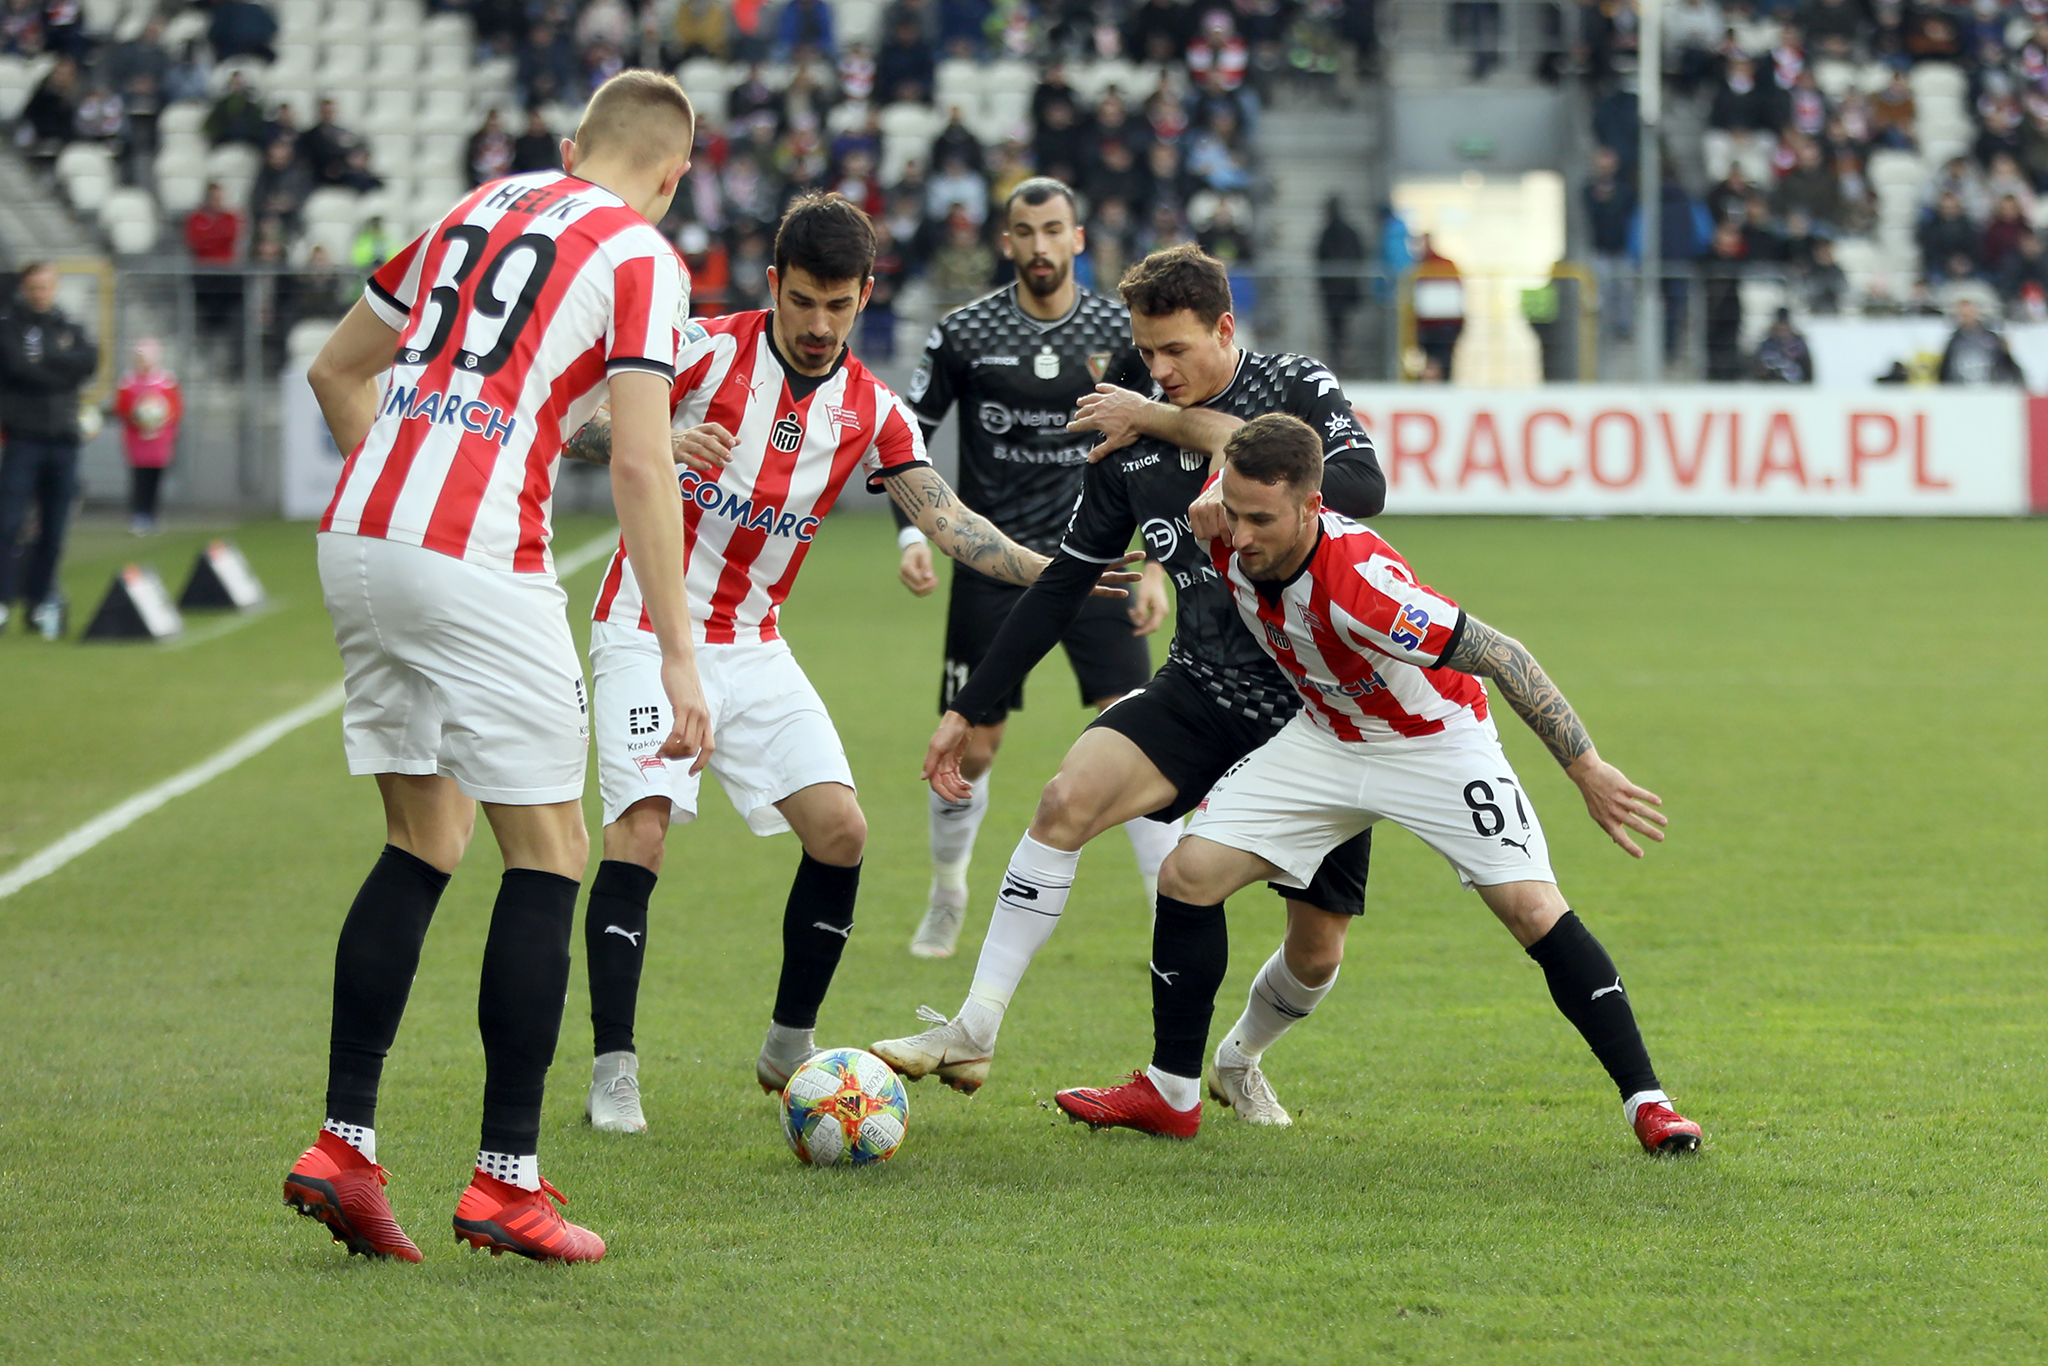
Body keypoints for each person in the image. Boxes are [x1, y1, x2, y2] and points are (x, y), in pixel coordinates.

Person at [556, 192, 1134, 1134]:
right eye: (802, 302)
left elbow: (949, 520)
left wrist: (1055, 571)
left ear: (865, 295)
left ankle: (790, 1044)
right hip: (644, 629)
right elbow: (572, 421)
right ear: (773, 285)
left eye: (839, 305)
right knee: (643, 832)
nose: (820, 325)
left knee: (842, 832)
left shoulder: (871, 409)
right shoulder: (701, 351)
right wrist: (650, 435)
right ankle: (614, 1072)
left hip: (755, 641)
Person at [283, 70, 708, 1267]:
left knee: (423, 837)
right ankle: (506, 1182)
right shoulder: (640, 253)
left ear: (571, 147)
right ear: (672, 174)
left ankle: (344, 1147)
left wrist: (400, 517)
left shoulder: (475, 205)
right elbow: (642, 463)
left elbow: (335, 370)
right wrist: (679, 655)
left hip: (358, 532)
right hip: (474, 555)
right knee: (552, 851)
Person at [1050, 414, 1703, 1155]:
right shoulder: (1221, 517)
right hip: (1327, 736)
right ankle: (1173, 1094)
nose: (1242, 534)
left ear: (1312, 506)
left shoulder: (1366, 589)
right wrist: (1193, 475)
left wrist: (1587, 768)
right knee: (1188, 875)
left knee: (1531, 908)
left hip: (1435, 743)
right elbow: (1214, 441)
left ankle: (1650, 1105)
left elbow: (1505, 656)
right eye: (1234, 511)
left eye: (1262, 519)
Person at [873, 246, 1387, 1107]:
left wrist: (1171, 420)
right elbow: (1063, 586)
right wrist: (968, 706)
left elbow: (1363, 488)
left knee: (1316, 949)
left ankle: (1239, 1059)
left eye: (1176, 350)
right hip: (1200, 687)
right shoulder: (1130, 443)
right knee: (1063, 801)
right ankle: (975, 1027)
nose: (1158, 371)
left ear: (1225, 328)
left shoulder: (1294, 384)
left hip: (1313, 710)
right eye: (1147, 353)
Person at [892, 178, 1170, 960]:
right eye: (1026, 231)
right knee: (974, 748)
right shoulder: (964, 333)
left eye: (1054, 229)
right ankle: (949, 891)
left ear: (1078, 238)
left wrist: (1155, 566)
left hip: (1099, 560)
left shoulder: (1122, 332)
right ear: (1006, 241)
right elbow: (903, 440)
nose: (1040, 245)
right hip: (992, 564)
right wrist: (912, 536)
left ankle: (1168, 910)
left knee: (1141, 735)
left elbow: (1162, 447)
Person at [0, 263, 99, 638]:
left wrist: (47, 359)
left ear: (55, 287)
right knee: (8, 524)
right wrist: (63, 370)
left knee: (54, 530)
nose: (40, 294)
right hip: (24, 437)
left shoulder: (68, 325)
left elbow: (90, 361)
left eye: (46, 286)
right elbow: (18, 368)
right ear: (24, 289)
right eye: (34, 287)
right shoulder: (10, 325)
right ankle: (2, 601)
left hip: (64, 440)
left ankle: (40, 603)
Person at [113, 336, 181, 534]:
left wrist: (160, 418)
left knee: (156, 478)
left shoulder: (167, 381)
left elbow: (176, 409)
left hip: (160, 440)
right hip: (137, 439)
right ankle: (139, 514)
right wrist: (137, 415)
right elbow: (121, 408)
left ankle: (153, 514)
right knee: (139, 477)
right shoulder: (128, 381)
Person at [1937, 296, 2024, 385]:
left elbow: (2007, 365)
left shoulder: (1992, 338)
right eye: (1963, 314)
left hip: (1990, 388)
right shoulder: (1954, 341)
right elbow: (1945, 370)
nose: (1966, 317)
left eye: (1969, 313)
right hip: (1961, 390)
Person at [1752, 308, 1813, 382]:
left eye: (1785, 326)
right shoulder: (1767, 345)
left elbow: (1807, 371)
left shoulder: (1798, 345)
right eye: (1780, 327)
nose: (1783, 330)